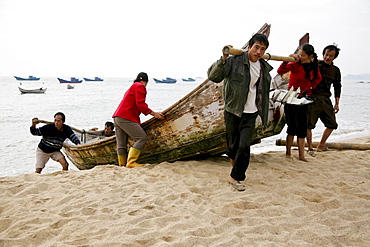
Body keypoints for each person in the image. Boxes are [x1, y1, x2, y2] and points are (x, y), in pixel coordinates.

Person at [207, 33, 273, 191]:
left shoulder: (263, 67)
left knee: (244, 146)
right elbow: (213, 76)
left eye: (262, 49)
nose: (258, 52)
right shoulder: (234, 61)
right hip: (233, 110)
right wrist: (223, 58)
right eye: (256, 47)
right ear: (249, 47)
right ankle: (235, 171)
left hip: (251, 112)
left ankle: (235, 177)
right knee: (232, 146)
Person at [277, 44, 322, 162]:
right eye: (299, 54)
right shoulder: (295, 65)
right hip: (291, 99)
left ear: (310, 56)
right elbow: (280, 71)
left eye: (303, 55)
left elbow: (318, 78)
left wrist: (311, 87)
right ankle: (288, 153)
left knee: (302, 128)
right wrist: (288, 58)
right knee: (291, 127)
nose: (300, 57)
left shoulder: (314, 67)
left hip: (304, 100)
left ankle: (301, 155)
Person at [112, 72, 164, 168]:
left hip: (117, 117)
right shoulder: (140, 86)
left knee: (121, 144)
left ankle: (122, 165)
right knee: (141, 138)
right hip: (126, 117)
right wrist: (154, 114)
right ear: (146, 81)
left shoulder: (133, 86)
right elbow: (141, 104)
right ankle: (131, 162)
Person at [306, 45, 341, 155]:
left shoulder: (335, 70)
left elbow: (337, 87)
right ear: (323, 54)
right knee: (308, 125)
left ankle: (321, 144)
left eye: (330, 56)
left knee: (332, 124)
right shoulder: (316, 65)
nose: (327, 58)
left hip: (326, 99)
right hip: (313, 98)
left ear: (334, 58)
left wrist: (336, 104)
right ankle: (310, 148)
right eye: (326, 55)